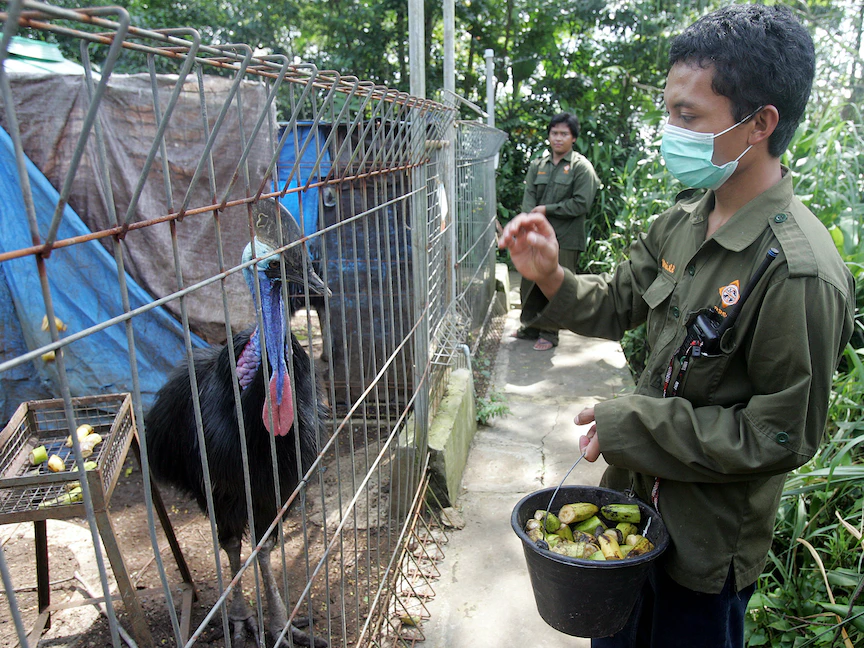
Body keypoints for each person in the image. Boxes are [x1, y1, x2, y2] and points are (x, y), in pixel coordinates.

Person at [498, 5, 855, 648]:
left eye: (688, 117)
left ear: (760, 124)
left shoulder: (798, 274)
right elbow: (616, 302)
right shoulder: (684, 220)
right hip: (628, 517)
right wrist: (550, 276)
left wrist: (633, 424)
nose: (670, 131)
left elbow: (780, 434)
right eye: (669, 112)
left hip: (703, 550)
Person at [512, 112, 600, 351]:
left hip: (565, 238)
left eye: (564, 134)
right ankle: (530, 326)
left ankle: (550, 334)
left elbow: (581, 203)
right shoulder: (538, 165)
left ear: (573, 138)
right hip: (536, 237)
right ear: (549, 136)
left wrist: (546, 210)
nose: (558, 138)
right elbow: (529, 196)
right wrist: (529, 218)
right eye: (554, 133)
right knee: (529, 282)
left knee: (556, 285)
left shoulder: (581, 167)